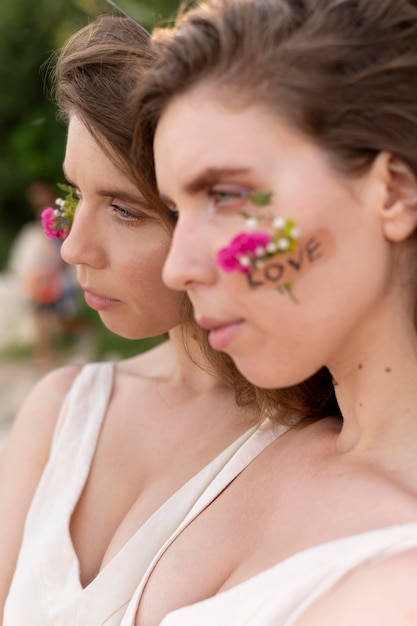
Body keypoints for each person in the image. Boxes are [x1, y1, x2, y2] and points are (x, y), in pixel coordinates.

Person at [119, 0, 417, 624]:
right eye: (177, 210)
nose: (178, 268)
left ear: (393, 191)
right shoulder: (251, 442)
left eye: (225, 196)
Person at [0, 16, 285, 626]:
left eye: (125, 210)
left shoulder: (303, 454)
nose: (74, 247)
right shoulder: (62, 409)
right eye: (75, 195)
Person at [7, 180, 80, 366]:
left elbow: (64, 253)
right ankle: (44, 354)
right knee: (40, 310)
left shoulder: (63, 217)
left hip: (64, 276)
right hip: (46, 280)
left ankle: (85, 331)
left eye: (41, 194)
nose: (38, 199)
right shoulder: (37, 226)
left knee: (64, 319)